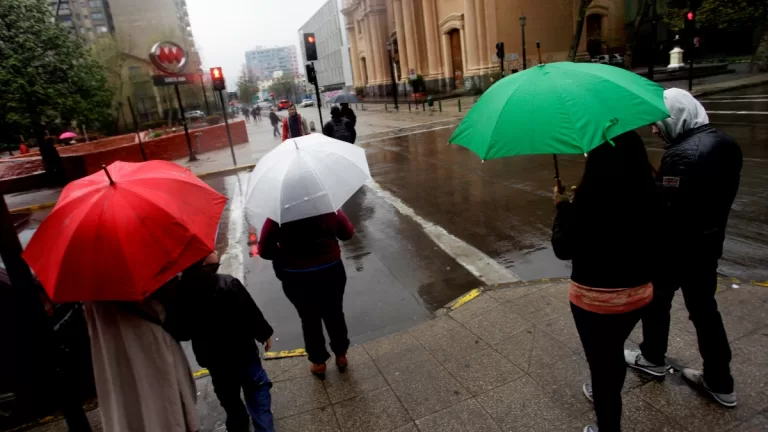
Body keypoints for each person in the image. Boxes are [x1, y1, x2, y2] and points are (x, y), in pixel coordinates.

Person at [626, 88, 742, 408]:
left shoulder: (679, 156)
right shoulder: (727, 145)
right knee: (705, 312)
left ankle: (652, 357)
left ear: (676, 117)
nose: (653, 129)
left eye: (658, 122)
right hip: (708, 245)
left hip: (675, 250)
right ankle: (721, 382)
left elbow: (666, 211)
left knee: (656, 302)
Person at [551, 131, 657, 432]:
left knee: (603, 364)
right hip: (638, 295)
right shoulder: (651, 191)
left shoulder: (586, 200)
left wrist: (561, 208)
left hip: (595, 301)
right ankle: (606, 384)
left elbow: (563, 248)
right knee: (612, 350)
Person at [83, 277, 199, 432]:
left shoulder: (85, 284)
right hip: (151, 347)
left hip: (114, 360)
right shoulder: (139, 272)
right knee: (165, 409)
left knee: (130, 409)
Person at [176, 253, 275, 432]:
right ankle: (264, 427)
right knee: (257, 392)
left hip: (214, 360)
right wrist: (264, 334)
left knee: (228, 397)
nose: (214, 252)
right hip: (243, 353)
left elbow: (181, 332)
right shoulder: (228, 283)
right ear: (203, 262)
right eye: (209, 252)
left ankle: (238, 422)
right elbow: (250, 314)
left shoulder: (181, 296)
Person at [257, 210, 354, 379]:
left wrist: (284, 250)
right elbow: (346, 233)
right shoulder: (327, 207)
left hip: (296, 275)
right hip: (330, 270)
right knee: (335, 313)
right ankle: (341, 355)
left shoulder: (277, 215)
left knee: (309, 318)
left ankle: (318, 362)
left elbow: (265, 250)